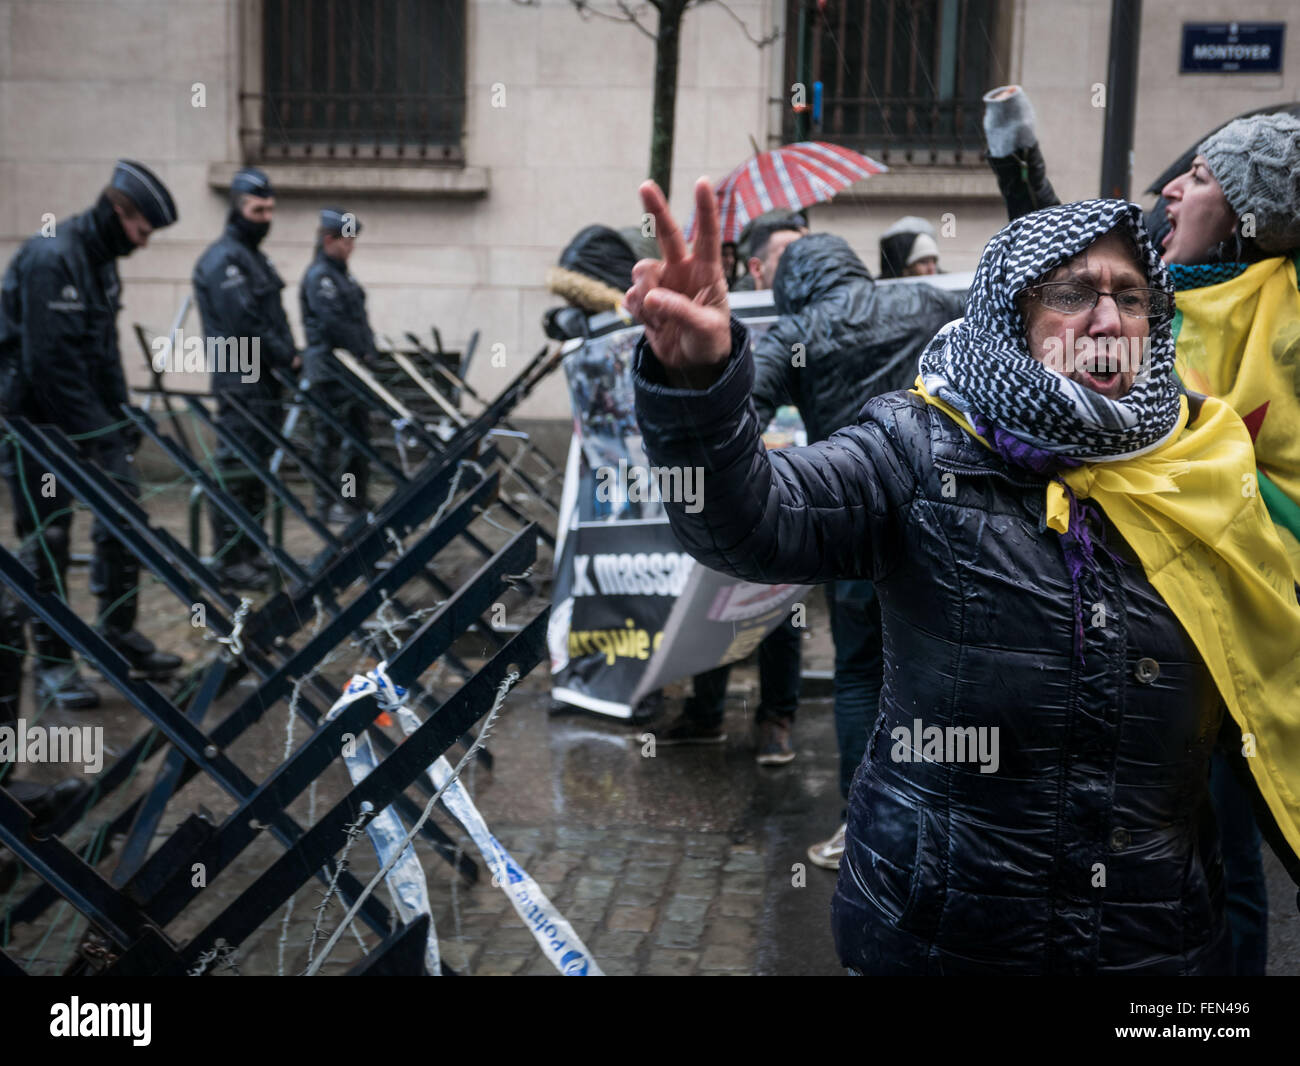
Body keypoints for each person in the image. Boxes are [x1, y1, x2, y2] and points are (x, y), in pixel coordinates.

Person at [628, 177, 1300, 974]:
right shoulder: (918, 449)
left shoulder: (1202, 460)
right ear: (1013, 314)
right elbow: (749, 524)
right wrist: (696, 393)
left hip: (1156, 948)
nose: (1109, 318)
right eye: (1072, 293)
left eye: (1130, 295)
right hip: (940, 939)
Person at [986, 93, 1300, 976]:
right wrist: (1020, 169)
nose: (1170, 193)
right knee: (1189, 839)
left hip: (1255, 610)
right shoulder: (1163, 296)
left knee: (1241, 842)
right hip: (1157, 615)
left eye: (1198, 178)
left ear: (1250, 209)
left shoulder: (1284, 301)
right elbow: (1060, 268)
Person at [747, 231, 965, 865]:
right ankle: (946, 821)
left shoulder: (794, 333)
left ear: (792, 285)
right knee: (949, 671)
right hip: (947, 519)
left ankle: (861, 825)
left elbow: (741, 415)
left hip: (852, 522)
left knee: (861, 672)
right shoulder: (926, 302)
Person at [0, 159, 183, 709]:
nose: (144, 244)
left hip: (86, 420)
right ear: (118, 210)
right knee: (48, 540)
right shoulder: (53, 257)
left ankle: (117, 633)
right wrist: (100, 433)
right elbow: (50, 365)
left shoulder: (101, 262)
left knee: (124, 512)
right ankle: (55, 666)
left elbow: (101, 355)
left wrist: (122, 417)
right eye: (142, 231)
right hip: (34, 424)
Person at [655, 213, 810, 765]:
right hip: (730, 483)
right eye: (786, 255)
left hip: (795, 483)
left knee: (783, 610)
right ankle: (707, 712)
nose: (797, 266)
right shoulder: (725, 314)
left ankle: (776, 721)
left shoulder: (813, 319)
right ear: (756, 266)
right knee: (716, 600)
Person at [193, 167, 298, 590]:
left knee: (255, 472)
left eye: (270, 210)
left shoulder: (255, 257)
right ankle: (229, 559)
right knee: (235, 469)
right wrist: (283, 354)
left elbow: (274, 313)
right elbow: (245, 322)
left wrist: (289, 354)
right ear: (238, 209)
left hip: (264, 381)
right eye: (258, 209)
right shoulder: (224, 259)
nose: (265, 217)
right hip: (241, 376)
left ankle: (251, 551)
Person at [300, 208, 377, 523]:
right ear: (329, 239)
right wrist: (360, 348)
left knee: (358, 438)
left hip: (352, 370)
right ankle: (328, 502)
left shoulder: (343, 275)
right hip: (330, 371)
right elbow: (333, 324)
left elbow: (359, 320)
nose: (351, 247)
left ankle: (353, 498)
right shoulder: (321, 276)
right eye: (347, 241)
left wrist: (370, 350)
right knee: (329, 440)